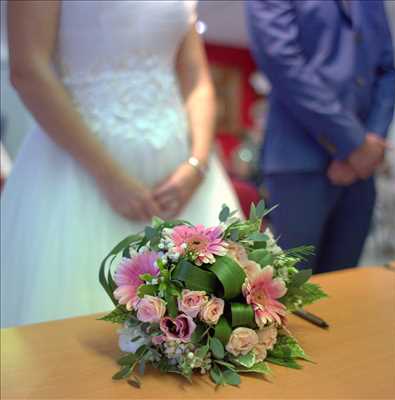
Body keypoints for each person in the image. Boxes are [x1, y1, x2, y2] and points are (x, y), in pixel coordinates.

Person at [0, 0, 240, 328]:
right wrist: (108, 176)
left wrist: (196, 165)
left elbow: (197, 79)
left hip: (185, 183)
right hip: (77, 177)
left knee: (205, 325)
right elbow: (28, 70)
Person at [246, 0, 395, 273]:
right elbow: (282, 62)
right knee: (288, 291)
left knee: (345, 290)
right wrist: (354, 145)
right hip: (299, 161)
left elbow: (386, 70)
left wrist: (371, 142)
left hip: (362, 171)